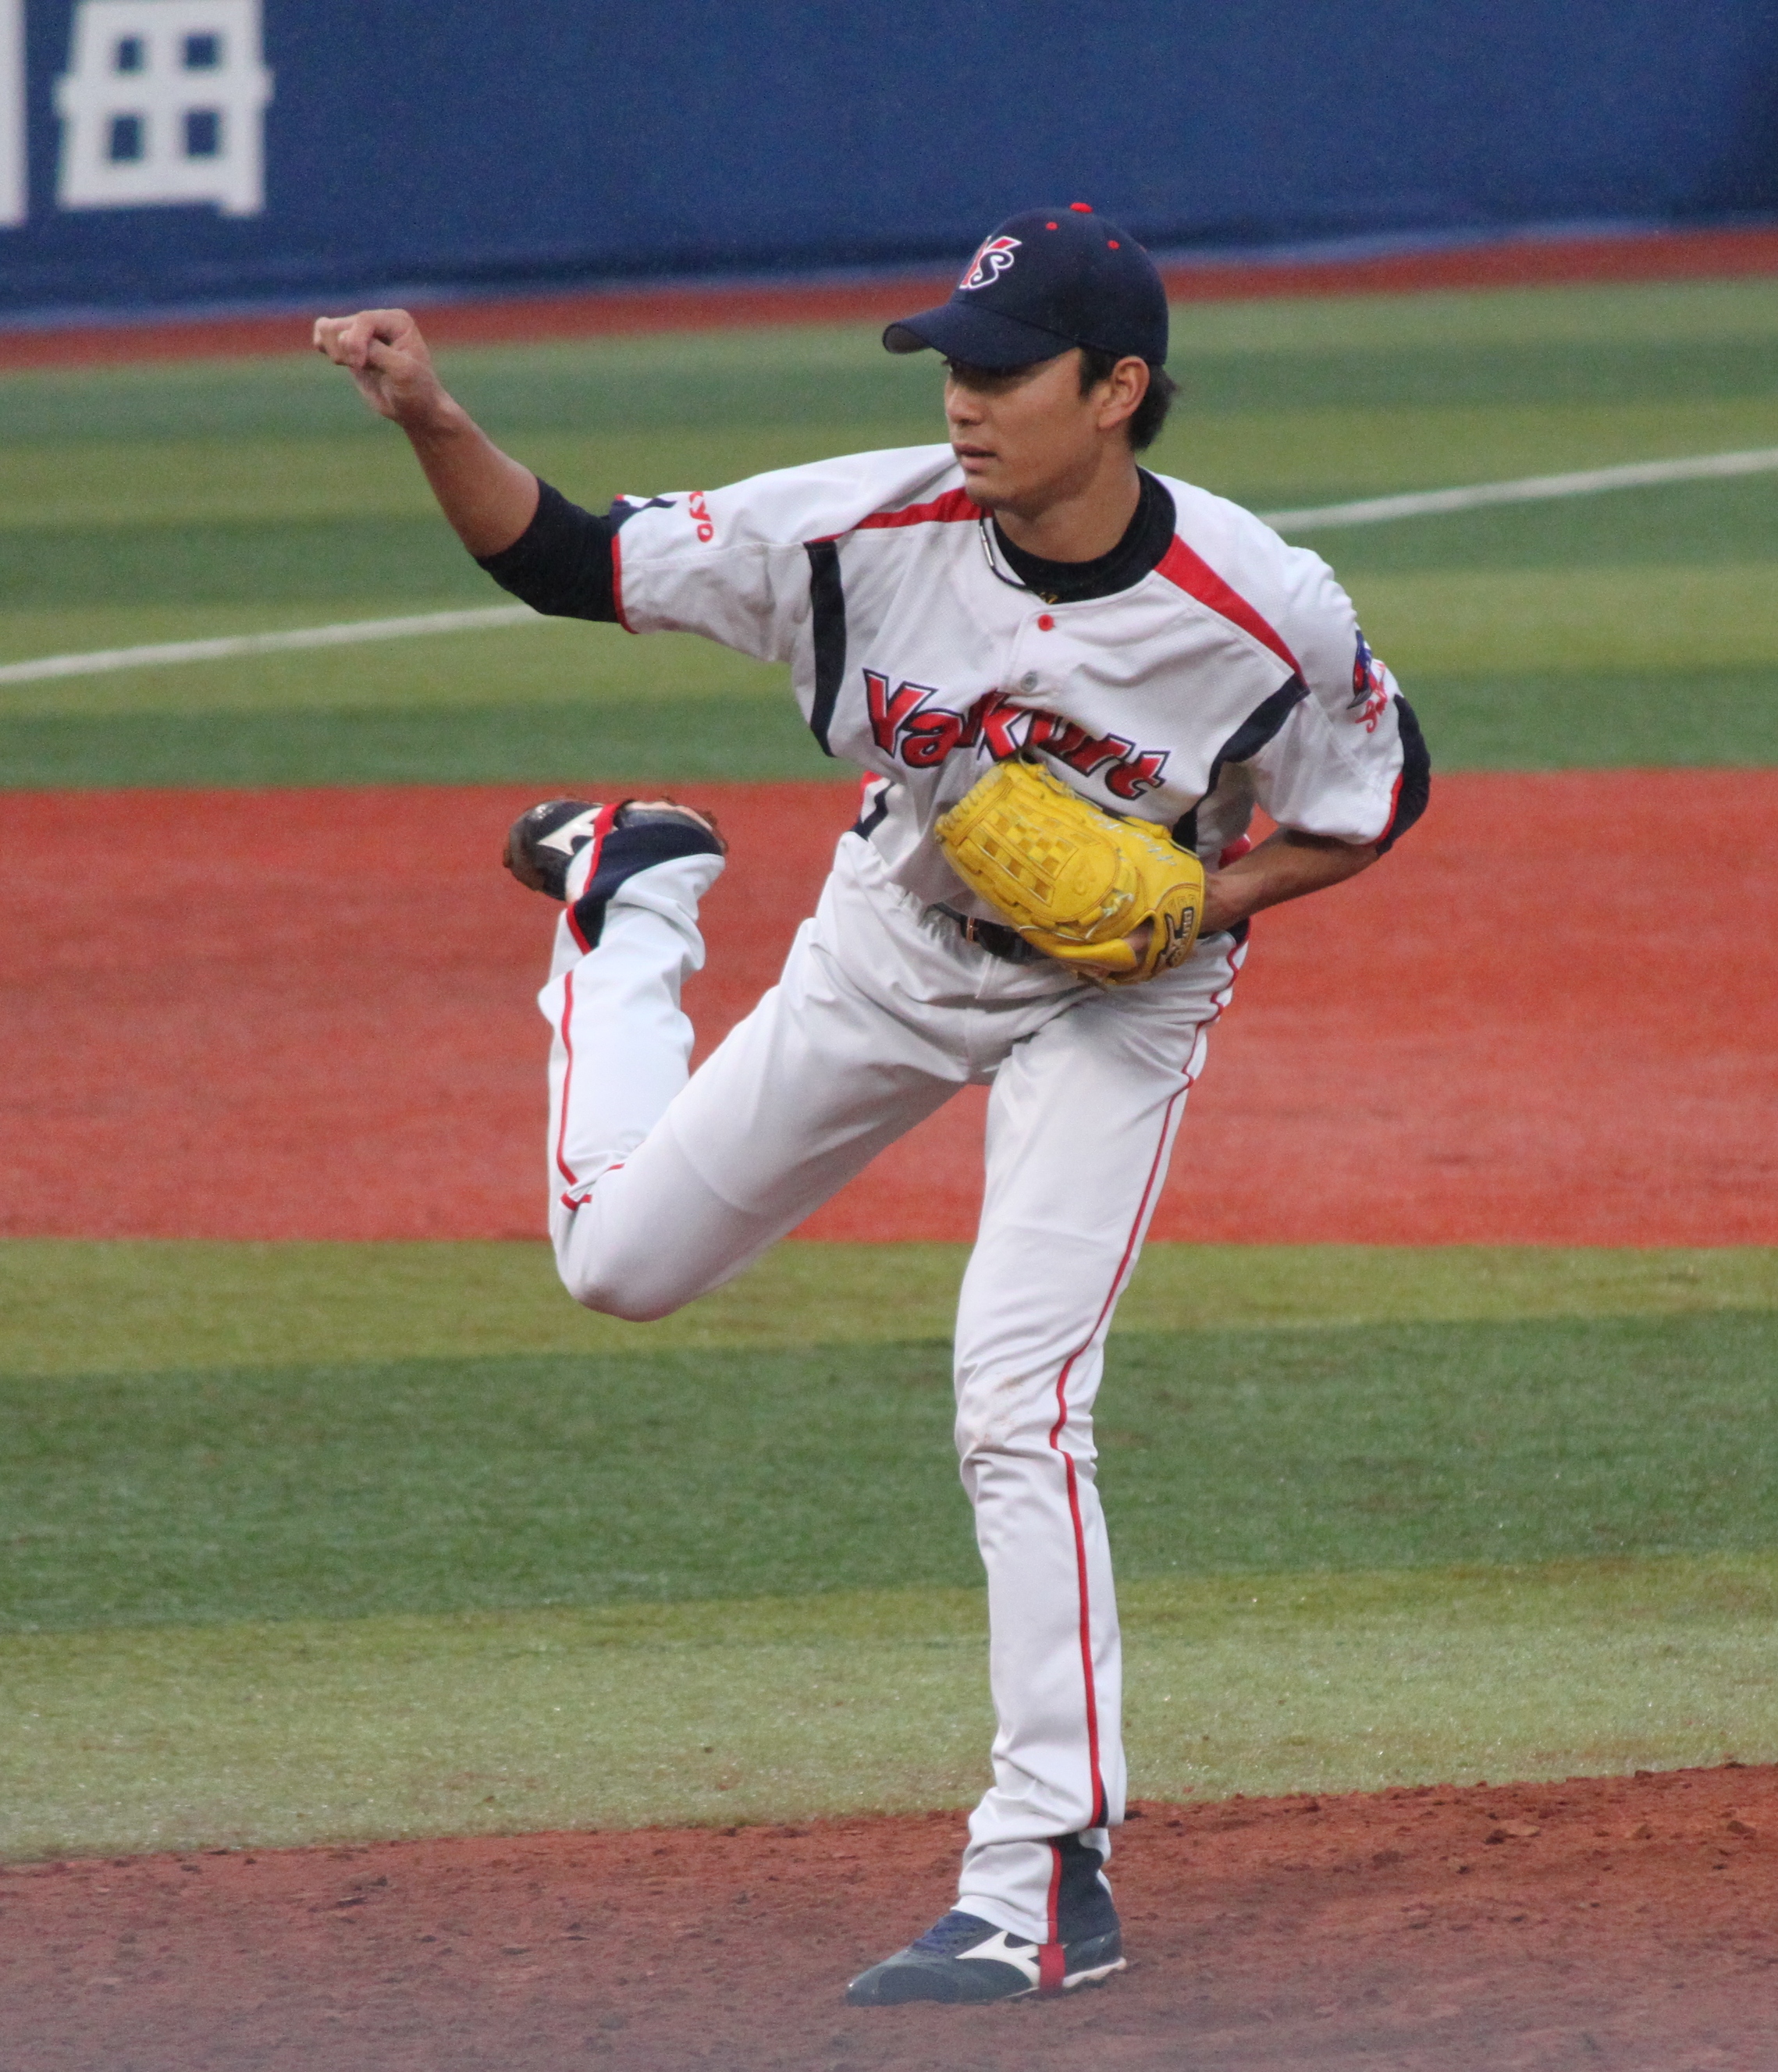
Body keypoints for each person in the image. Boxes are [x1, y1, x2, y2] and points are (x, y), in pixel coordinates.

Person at [314, 203, 1428, 2007]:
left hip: (1116, 1007)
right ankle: (636, 895)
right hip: (888, 942)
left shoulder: (1258, 607)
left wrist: (1190, 904)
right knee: (616, 1263)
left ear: (1118, 389)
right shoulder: (857, 526)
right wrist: (432, 414)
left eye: (1000, 371)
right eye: (951, 367)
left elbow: (1376, 792)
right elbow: (570, 562)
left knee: (1015, 1393)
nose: (963, 402)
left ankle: (1039, 1874)